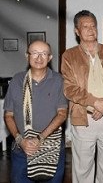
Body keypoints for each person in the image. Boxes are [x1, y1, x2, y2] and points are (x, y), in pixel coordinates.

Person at [61, 10, 103, 183]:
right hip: (84, 119)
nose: (90, 29)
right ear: (77, 31)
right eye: (85, 26)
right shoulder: (69, 56)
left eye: (93, 26)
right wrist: (95, 102)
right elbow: (70, 89)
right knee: (82, 168)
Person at [4, 40, 68, 182]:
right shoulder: (17, 80)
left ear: (50, 58)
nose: (39, 58)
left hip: (52, 146)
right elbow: (8, 115)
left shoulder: (59, 81)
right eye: (35, 53)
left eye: (44, 54)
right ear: (27, 56)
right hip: (22, 148)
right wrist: (20, 140)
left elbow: (62, 114)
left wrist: (39, 139)